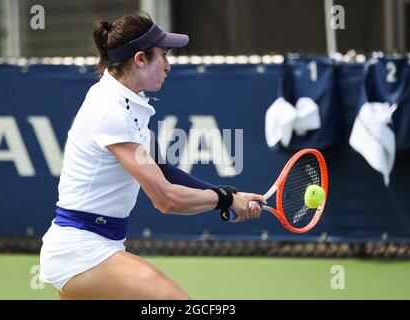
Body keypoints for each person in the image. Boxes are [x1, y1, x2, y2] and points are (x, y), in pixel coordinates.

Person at [39, 12, 264, 300]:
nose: (169, 66)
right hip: (82, 251)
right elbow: (166, 199)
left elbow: (165, 171)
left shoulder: (127, 102)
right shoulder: (111, 112)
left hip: (95, 247)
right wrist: (224, 199)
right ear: (140, 59)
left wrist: (231, 195)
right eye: (163, 55)